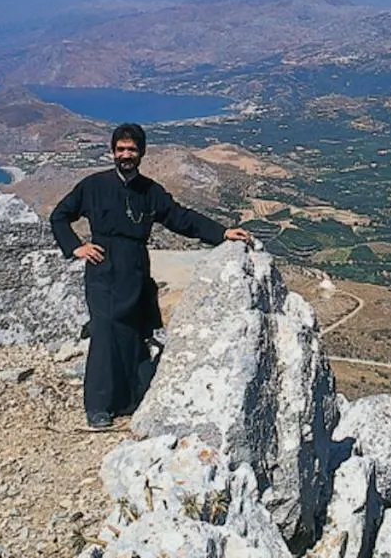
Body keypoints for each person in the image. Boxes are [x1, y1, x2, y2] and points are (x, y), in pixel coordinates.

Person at [51, 122, 253, 430]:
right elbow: (60, 216)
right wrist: (76, 247)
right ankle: (99, 406)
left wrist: (221, 232)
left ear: (141, 153)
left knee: (134, 333)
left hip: (135, 270)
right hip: (102, 270)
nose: (126, 155)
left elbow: (180, 218)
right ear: (113, 152)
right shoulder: (92, 186)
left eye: (132, 149)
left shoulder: (150, 191)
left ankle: (131, 400)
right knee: (105, 333)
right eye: (121, 149)